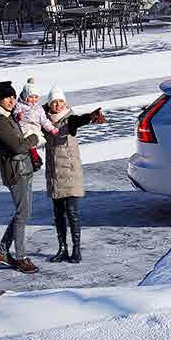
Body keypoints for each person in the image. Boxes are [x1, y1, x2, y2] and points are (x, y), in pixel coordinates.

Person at [41, 87, 107, 264]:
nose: (58, 105)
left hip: (70, 172)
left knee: (72, 212)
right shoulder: (44, 120)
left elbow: (78, 121)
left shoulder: (69, 119)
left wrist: (90, 117)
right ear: (49, 104)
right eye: (54, 102)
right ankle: (62, 248)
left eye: (61, 101)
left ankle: (76, 249)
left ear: (65, 103)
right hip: (54, 173)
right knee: (58, 214)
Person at [0, 80, 41, 273]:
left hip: (22, 169)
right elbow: (17, 146)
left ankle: (2, 252)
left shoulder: (8, 116)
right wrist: (34, 138)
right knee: (22, 214)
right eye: (6, 98)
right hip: (15, 172)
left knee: (22, 212)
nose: (11, 101)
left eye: (12, 97)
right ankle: (20, 257)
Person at [15, 77, 47, 146]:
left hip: (36, 130)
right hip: (24, 129)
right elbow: (15, 113)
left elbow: (44, 120)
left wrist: (51, 129)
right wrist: (18, 116)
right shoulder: (20, 105)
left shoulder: (39, 108)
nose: (34, 99)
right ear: (25, 97)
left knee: (38, 141)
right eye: (31, 97)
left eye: (36, 97)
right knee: (29, 143)